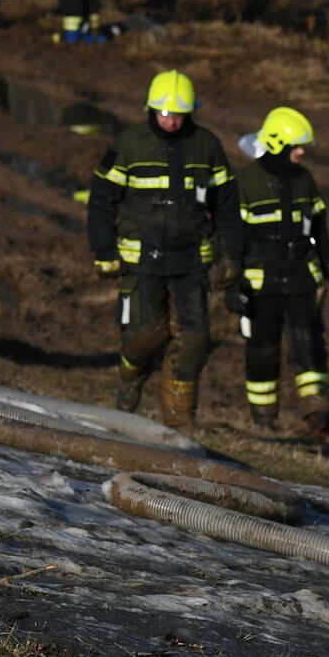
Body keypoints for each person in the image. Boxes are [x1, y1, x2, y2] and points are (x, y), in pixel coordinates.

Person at [87, 71, 241, 431]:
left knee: (194, 340)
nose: (171, 121)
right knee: (146, 334)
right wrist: (104, 249)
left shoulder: (207, 147)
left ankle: (179, 425)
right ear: (150, 110)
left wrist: (231, 254)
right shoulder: (128, 145)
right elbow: (101, 201)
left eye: (178, 115)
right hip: (141, 260)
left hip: (191, 262)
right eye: (163, 114)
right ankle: (130, 377)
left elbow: (228, 206)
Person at [224, 108, 329, 437]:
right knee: (263, 349)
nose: (302, 152)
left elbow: (319, 232)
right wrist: (232, 284)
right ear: (278, 144)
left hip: (300, 279)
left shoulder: (304, 181)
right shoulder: (246, 184)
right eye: (297, 146)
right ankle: (263, 419)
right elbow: (231, 241)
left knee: (309, 343)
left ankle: (316, 413)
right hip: (261, 283)